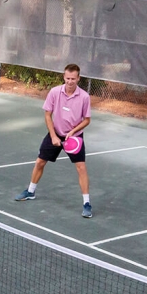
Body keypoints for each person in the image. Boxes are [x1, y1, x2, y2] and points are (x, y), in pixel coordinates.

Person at [15, 63, 93, 217]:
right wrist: (53, 136)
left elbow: (87, 120)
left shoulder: (84, 97)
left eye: (73, 78)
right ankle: (30, 191)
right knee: (39, 162)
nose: (70, 81)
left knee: (81, 168)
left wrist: (73, 131)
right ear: (64, 77)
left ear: (78, 78)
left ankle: (87, 203)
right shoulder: (55, 92)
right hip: (55, 133)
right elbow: (47, 115)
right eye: (67, 78)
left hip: (74, 137)